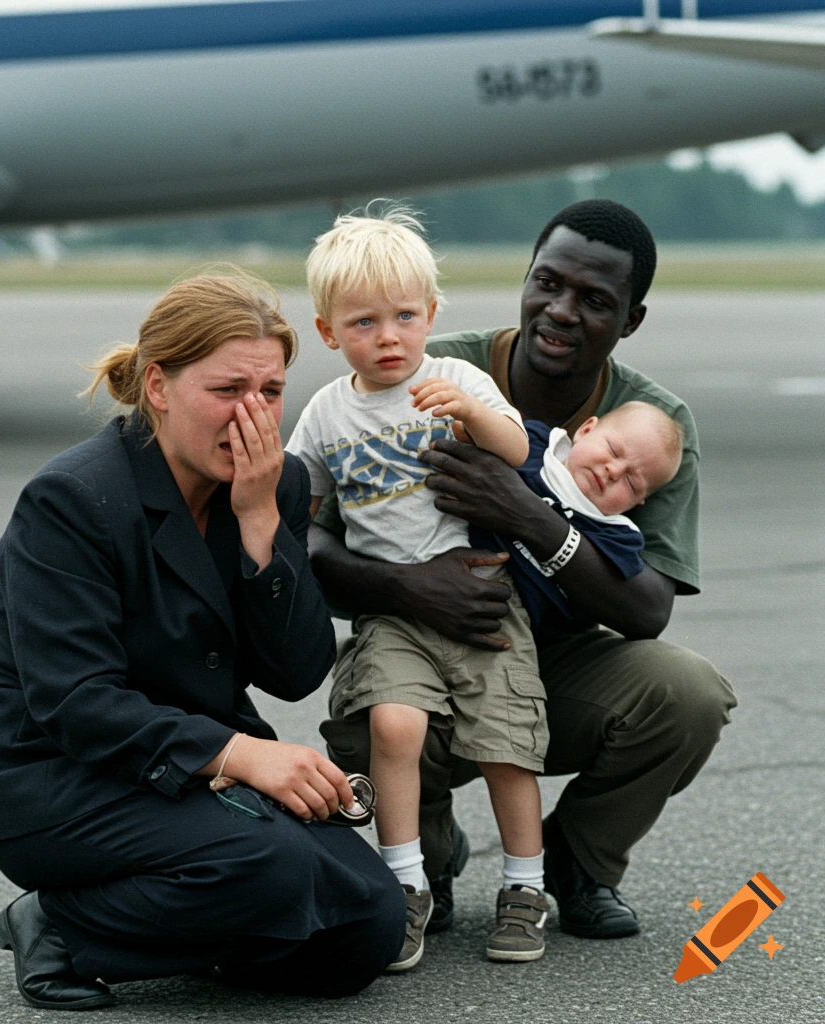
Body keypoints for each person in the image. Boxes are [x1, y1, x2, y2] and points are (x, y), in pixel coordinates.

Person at [0, 272, 406, 1011]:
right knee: (275, 872)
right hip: (61, 778)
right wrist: (236, 753)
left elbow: (297, 671)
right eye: (229, 389)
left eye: (269, 393)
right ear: (159, 386)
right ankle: (58, 925)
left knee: (369, 923)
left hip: (199, 776)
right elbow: (74, 701)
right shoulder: (72, 499)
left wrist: (263, 525)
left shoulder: (278, 486)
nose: (252, 416)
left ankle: (204, 923)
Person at [312, 199, 737, 941]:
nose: (562, 310)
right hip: (425, 636)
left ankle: (576, 866)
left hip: (557, 655)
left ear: (631, 320)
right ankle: (430, 861)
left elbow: (645, 609)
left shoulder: (653, 425)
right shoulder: (420, 367)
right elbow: (309, 544)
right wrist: (406, 587)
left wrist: (528, 515)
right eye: (548, 283)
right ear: (528, 279)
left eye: (596, 301)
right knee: (369, 724)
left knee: (688, 695)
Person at [287, 205, 555, 968]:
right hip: (395, 616)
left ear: (432, 315)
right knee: (393, 729)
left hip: (481, 600)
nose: (390, 337)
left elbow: (516, 451)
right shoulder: (327, 412)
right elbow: (300, 503)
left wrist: (472, 411)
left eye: (405, 316)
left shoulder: (454, 378)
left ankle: (524, 889)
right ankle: (406, 886)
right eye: (364, 322)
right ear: (329, 332)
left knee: (507, 750)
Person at [484, 401, 685, 637]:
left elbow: (615, 595)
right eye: (613, 450)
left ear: (638, 502)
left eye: (631, 482)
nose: (614, 471)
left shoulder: (616, 536)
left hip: (510, 629)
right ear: (586, 430)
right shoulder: (533, 444)